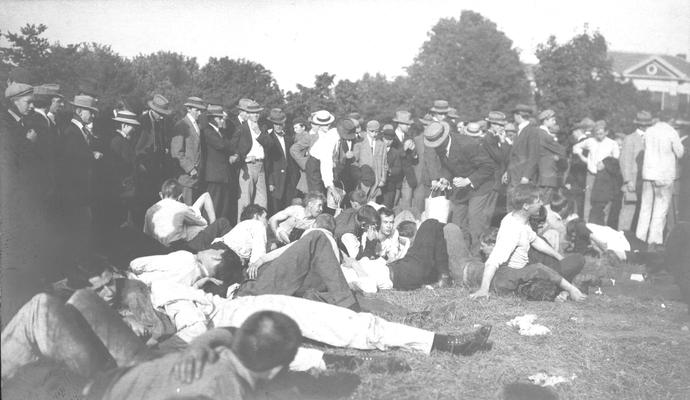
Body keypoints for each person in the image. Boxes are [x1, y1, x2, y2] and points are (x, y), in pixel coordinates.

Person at [1, 289, 302, 400]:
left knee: (41, 310)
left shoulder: (216, 391)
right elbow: (229, 332)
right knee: (84, 298)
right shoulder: (248, 358)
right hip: (142, 369)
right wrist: (201, 344)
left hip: (98, 390)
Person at [470, 183, 587, 301]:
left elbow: (535, 239)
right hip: (521, 275)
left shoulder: (520, 219)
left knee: (545, 245)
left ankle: (561, 286)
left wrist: (559, 256)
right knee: (577, 260)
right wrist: (483, 289)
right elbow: (494, 260)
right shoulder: (512, 229)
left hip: (529, 264)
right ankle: (563, 288)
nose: (541, 204)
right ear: (526, 206)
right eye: (538, 201)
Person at [423, 121, 495, 256]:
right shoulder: (440, 147)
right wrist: (445, 178)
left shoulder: (468, 145)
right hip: (461, 187)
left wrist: (468, 180)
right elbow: (447, 166)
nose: (436, 147)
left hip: (480, 185)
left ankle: (476, 258)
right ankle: (460, 255)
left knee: (474, 223)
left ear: (445, 137)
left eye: (438, 143)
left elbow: (488, 167)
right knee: (457, 222)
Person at [635, 118, 685, 250]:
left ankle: (639, 238)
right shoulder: (671, 132)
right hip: (664, 175)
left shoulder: (649, 131)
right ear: (670, 121)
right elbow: (680, 153)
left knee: (645, 208)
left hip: (648, 174)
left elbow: (645, 149)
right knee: (660, 209)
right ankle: (654, 241)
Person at [144, 179, 230, 251]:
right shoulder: (181, 208)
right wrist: (192, 211)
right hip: (181, 249)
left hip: (160, 249)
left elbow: (147, 236)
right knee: (222, 222)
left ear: (160, 195)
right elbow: (203, 223)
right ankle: (230, 252)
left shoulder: (149, 211)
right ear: (180, 197)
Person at [133, 94, 174, 228]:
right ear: (153, 110)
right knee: (143, 199)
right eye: (160, 113)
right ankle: (141, 228)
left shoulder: (161, 122)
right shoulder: (142, 122)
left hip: (157, 168)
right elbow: (135, 146)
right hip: (144, 167)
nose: (162, 116)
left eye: (163, 114)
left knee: (154, 199)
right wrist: (140, 164)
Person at [572, 120, 620, 222]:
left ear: (606, 132)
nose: (599, 136)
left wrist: (605, 164)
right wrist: (583, 158)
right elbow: (576, 147)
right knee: (589, 200)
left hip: (605, 176)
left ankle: (603, 226)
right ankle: (587, 225)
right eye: (596, 134)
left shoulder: (612, 143)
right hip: (591, 175)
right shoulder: (590, 141)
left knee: (604, 201)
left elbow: (615, 160)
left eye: (601, 133)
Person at [618, 111, 652, 232]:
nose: (645, 127)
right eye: (644, 124)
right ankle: (622, 236)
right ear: (638, 124)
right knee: (628, 209)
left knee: (643, 213)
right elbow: (624, 161)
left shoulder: (651, 139)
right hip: (632, 181)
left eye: (647, 124)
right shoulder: (630, 138)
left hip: (646, 182)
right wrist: (628, 180)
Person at [261, 108, 299, 214]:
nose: (278, 126)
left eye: (280, 124)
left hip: (289, 178)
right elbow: (268, 163)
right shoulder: (269, 139)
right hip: (276, 179)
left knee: (288, 207)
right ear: (272, 124)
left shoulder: (288, 138)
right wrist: (270, 182)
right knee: (276, 208)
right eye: (275, 124)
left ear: (284, 124)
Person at [201, 104, 235, 221]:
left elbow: (227, 145)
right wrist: (230, 147)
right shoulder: (208, 131)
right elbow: (221, 145)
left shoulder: (220, 132)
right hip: (214, 176)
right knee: (213, 207)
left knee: (223, 207)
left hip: (223, 176)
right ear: (213, 119)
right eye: (220, 118)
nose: (222, 120)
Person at [171, 96, 207, 205]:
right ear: (189, 109)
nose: (200, 113)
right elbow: (176, 152)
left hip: (197, 178)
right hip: (186, 178)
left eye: (201, 110)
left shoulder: (197, 125)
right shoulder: (181, 125)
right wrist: (190, 168)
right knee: (186, 209)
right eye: (197, 110)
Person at [109, 110, 141, 227]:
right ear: (124, 125)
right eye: (132, 126)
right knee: (122, 219)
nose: (134, 129)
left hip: (128, 188)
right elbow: (117, 167)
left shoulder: (124, 141)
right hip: (123, 188)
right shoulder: (117, 141)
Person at [507, 104, 541, 208]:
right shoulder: (520, 130)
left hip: (521, 176)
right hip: (514, 174)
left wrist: (526, 176)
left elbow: (533, 156)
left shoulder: (531, 131)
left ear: (518, 115)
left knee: (519, 205)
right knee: (512, 204)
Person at [536, 109, 567, 203]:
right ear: (545, 121)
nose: (555, 122)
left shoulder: (538, 132)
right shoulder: (545, 135)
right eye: (552, 120)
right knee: (544, 204)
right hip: (547, 175)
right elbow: (562, 150)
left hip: (542, 174)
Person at [392, 111, 419, 212]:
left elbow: (413, 159)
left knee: (407, 204)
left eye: (409, 124)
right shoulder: (391, 137)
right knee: (393, 202)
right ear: (399, 124)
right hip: (395, 177)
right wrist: (404, 148)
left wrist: (414, 153)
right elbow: (391, 156)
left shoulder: (409, 137)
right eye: (406, 124)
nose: (409, 126)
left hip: (407, 176)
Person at [353, 120, 388, 192]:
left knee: (372, 202)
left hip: (377, 181)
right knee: (362, 201)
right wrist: (358, 176)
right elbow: (354, 162)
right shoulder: (359, 143)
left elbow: (384, 163)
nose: (374, 134)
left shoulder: (382, 144)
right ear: (367, 130)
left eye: (376, 132)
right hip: (363, 181)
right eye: (372, 131)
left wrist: (383, 179)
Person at [381, 124, 405, 208]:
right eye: (386, 139)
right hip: (377, 185)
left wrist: (390, 170)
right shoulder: (376, 150)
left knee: (387, 207)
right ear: (382, 138)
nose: (388, 141)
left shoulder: (395, 152)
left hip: (389, 186)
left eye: (390, 140)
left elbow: (398, 168)